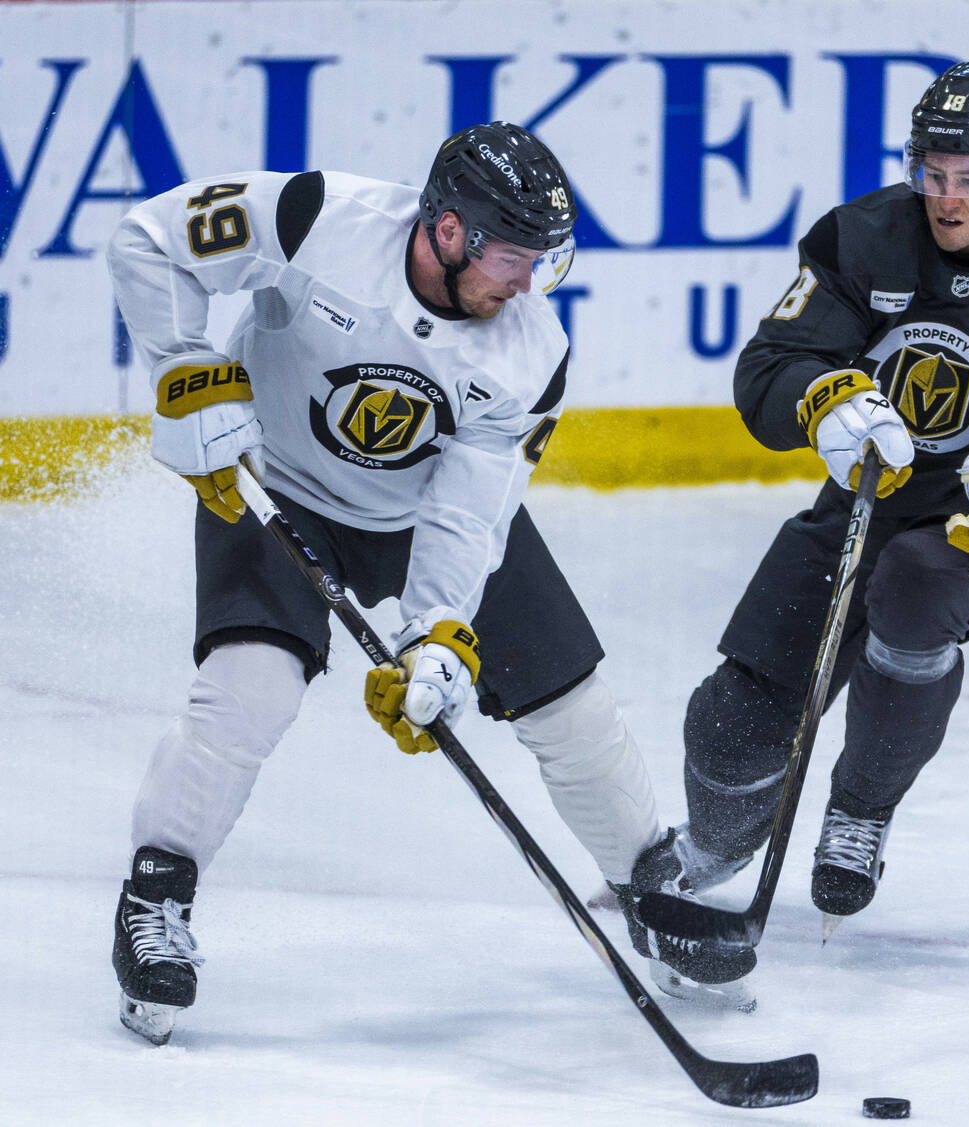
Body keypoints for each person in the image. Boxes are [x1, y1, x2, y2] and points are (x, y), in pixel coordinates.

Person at [106, 122, 745, 1046]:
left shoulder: (531, 353)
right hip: (275, 479)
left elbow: (467, 512)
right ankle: (153, 901)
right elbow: (150, 239)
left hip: (418, 512)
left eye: (541, 261)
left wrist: (438, 632)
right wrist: (180, 364)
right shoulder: (315, 215)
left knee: (568, 702)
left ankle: (654, 895)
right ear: (449, 231)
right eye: (515, 258)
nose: (527, 282)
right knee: (249, 691)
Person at [652, 61, 969, 956]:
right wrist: (827, 396)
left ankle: (860, 811)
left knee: (917, 586)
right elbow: (769, 367)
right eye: (931, 173)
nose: (945, 199)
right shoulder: (860, 239)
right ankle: (713, 847)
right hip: (877, 494)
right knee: (732, 719)